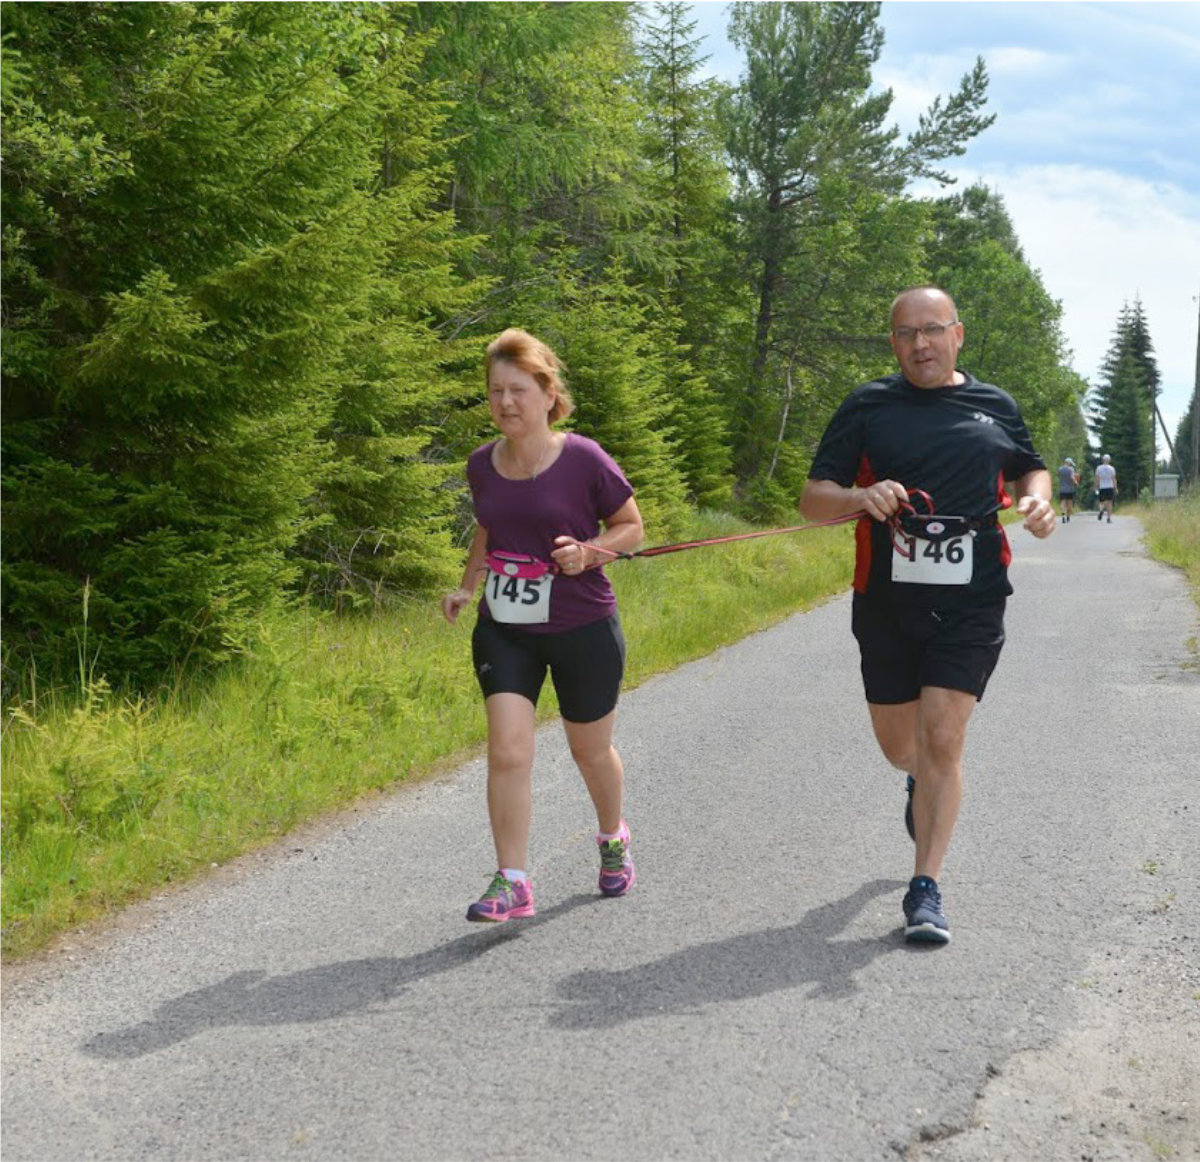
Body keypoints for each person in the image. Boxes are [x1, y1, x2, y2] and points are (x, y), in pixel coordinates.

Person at [798, 286, 1055, 945]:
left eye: (933, 330)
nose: (921, 344)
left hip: (972, 598)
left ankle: (925, 890)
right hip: (884, 602)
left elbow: (1032, 468)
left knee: (943, 736)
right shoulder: (868, 406)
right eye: (907, 334)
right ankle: (918, 781)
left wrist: (1037, 501)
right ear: (893, 343)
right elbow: (812, 498)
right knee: (902, 746)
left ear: (958, 334)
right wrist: (861, 495)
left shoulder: (994, 405)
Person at [442, 328, 645, 923]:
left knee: (590, 750)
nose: (505, 403)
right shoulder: (482, 464)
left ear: (547, 392)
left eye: (518, 391)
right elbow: (488, 527)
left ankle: (613, 837)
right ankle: (513, 880)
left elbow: (631, 526)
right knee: (507, 750)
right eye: (495, 392)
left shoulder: (582, 457)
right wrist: (467, 585)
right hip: (506, 625)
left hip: (582, 624)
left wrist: (590, 552)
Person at [1094, 454, 1117, 523]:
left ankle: (1101, 510)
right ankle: (1108, 518)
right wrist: (1115, 488)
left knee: (1101, 502)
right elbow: (1113, 479)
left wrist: (1096, 486)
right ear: (1109, 460)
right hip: (1110, 487)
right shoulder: (1112, 468)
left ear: (1103, 460)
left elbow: (1097, 478)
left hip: (1102, 487)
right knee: (1110, 503)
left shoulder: (1099, 468)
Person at [1057, 457, 1080, 521]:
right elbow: (1072, 477)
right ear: (1069, 463)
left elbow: (1059, 476)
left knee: (1062, 502)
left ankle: (1063, 513)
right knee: (1069, 503)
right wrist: (1076, 482)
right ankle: (1068, 516)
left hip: (1062, 488)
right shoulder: (1071, 469)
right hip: (1070, 489)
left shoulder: (1060, 469)